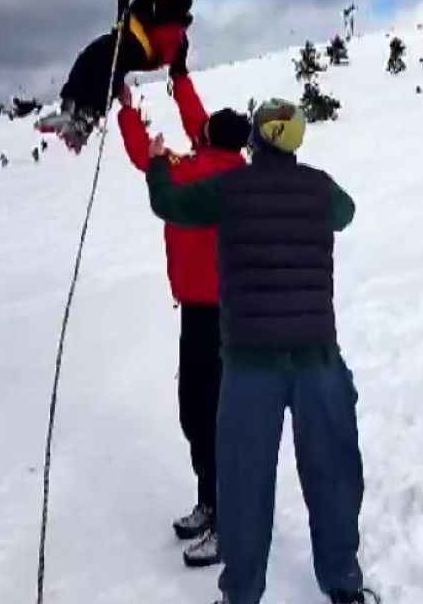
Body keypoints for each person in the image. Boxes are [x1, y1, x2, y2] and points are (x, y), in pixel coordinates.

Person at [145, 99, 373, 604]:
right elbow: (347, 212)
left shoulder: (230, 190)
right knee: (333, 475)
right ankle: (343, 585)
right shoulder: (321, 189)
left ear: (256, 139)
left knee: (244, 484)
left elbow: (171, 205)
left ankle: (241, 594)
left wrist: (160, 164)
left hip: (250, 365)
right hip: (317, 358)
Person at [117, 67, 251, 567]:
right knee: (199, 411)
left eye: (206, 126)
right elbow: (197, 118)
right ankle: (210, 501)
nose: (199, 126)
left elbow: (144, 161)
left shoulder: (201, 174)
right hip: (204, 311)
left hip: (218, 314)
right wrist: (180, 77)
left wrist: (130, 114)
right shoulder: (222, 159)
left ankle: (225, 519)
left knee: (208, 414)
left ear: (212, 138)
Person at [38, 0, 204, 152]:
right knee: (92, 54)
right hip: (130, 35)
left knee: (110, 62)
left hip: (147, 48)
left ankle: (89, 113)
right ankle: (70, 104)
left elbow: (165, 20)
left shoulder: (175, 4)